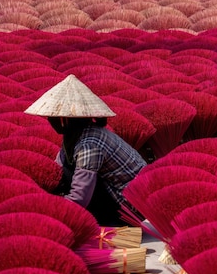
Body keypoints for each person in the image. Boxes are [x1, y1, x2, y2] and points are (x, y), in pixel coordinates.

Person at [24, 74, 147, 226]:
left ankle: (102, 224)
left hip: (128, 211)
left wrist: (50, 211)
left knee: (74, 174)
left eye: (52, 115)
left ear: (66, 118)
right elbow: (59, 169)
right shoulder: (76, 136)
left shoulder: (89, 144)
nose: (50, 120)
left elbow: (80, 197)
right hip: (114, 197)